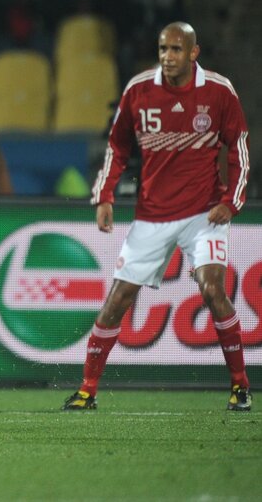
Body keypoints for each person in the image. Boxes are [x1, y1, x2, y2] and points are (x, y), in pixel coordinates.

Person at [64, 22, 251, 412]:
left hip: (204, 212)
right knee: (117, 301)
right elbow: (117, 146)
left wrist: (231, 202)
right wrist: (104, 196)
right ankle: (87, 389)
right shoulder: (139, 90)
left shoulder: (218, 91)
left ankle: (240, 385)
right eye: (163, 49)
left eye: (176, 50)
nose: (168, 57)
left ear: (194, 52)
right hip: (153, 215)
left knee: (213, 289)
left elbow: (239, 149)